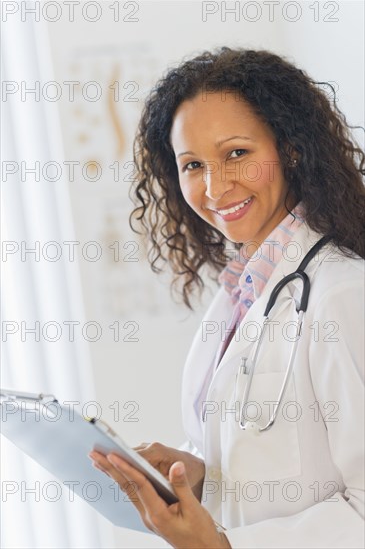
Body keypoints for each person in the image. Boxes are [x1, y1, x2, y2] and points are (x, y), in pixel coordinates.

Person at [89, 47, 365, 548]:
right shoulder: (241, 294)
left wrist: (224, 546)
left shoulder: (342, 295)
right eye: (193, 164)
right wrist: (195, 473)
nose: (215, 187)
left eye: (237, 153)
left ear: (292, 149)